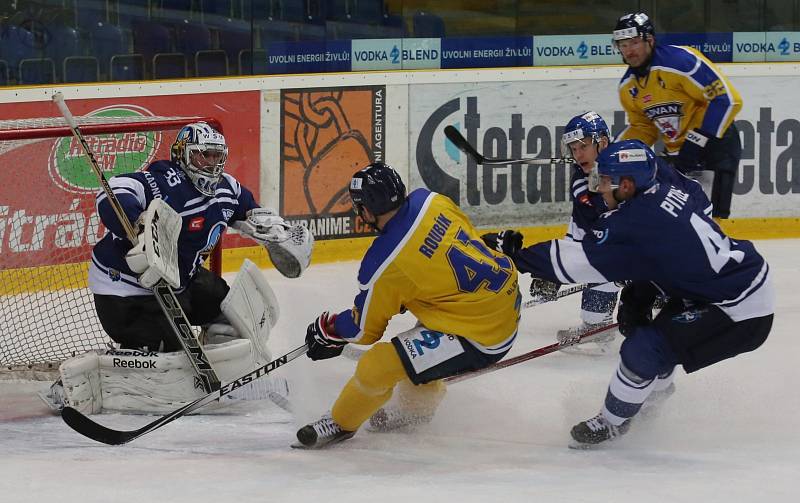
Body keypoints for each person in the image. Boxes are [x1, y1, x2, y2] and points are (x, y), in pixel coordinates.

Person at [488, 140, 773, 448]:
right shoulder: (662, 191)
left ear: (627, 185)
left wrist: (516, 255)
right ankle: (653, 395)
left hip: (738, 307)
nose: (599, 189)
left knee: (645, 350)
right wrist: (647, 286)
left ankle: (613, 423)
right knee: (642, 326)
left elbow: (572, 261)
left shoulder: (636, 222)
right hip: (725, 281)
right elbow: (678, 233)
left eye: (605, 181)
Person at [42, 121, 313, 414]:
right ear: (183, 155)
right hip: (126, 291)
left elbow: (249, 211)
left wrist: (276, 231)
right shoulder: (165, 182)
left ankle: (228, 374)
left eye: (216, 156)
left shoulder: (227, 188)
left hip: (180, 281)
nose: (211, 164)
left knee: (230, 313)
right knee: (165, 356)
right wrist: (137, 222)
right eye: (203, 155)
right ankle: (84, 381)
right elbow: (115, 192)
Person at [294, 162, 521, 449]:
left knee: (378, 366)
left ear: (367, 210)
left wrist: (330, 329)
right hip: (503, 296)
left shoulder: (385, 261)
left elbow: (364, 330)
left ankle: (340, 422)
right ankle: (417, 410)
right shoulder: (432, 200)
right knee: (413, 351)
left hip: (482, 335)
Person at [613, 12, 742, 220]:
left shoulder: (681, 62)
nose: (629, 50)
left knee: (710, 220)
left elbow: (726, 99)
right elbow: (643, 128)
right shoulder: (628, 87)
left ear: (650, 40)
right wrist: (612, 151)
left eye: (634, 42)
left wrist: (696, 141)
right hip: (680, 156)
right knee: (678, 221)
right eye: (623, 44)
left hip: (715, 146)